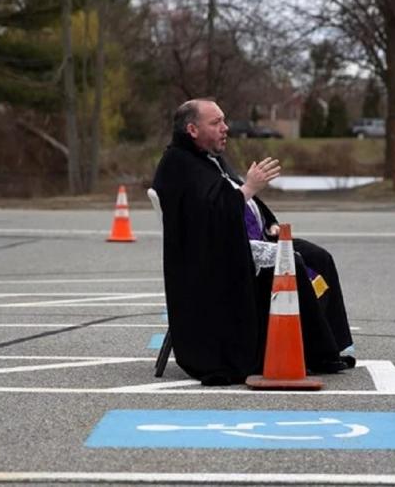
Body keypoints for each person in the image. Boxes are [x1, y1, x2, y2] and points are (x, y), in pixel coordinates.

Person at [152, 98, 355, 386]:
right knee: (290, 262)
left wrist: (268, 221)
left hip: (246, 240)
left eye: (224, 120)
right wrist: (250, 187)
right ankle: (307, 350)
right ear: (192, 129)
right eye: (216, 122)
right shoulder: (178, 165)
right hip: (214, 257)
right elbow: (208, 217)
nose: (225, 128)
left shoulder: (209, 158)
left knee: (319, 257)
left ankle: (326, 348)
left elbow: (236, 199)